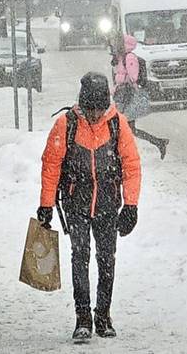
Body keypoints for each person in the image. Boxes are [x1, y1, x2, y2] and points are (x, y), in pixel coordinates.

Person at [38, 72, 142, 342]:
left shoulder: (118, 125)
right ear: (82, 104)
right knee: (80, 258)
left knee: (107, 260)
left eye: (99, 108)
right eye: (90, 108)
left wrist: (131, 205)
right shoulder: (67, 124)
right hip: (76, 204)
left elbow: (131, 166)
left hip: (108, 205)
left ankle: (103, 315)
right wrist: (46, 204)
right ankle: (83, 317)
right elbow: (51, 165)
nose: (95, 115)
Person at [112, 34, 168, 159]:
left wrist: (123, 83)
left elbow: (133, 77)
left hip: (128, 96)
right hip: (123, 95)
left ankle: (119, 154)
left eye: (117, 43)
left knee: (122, 127)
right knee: (128, 128)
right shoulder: (122, 57)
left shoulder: (129, 57)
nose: (115, 46)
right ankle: (158, 142)